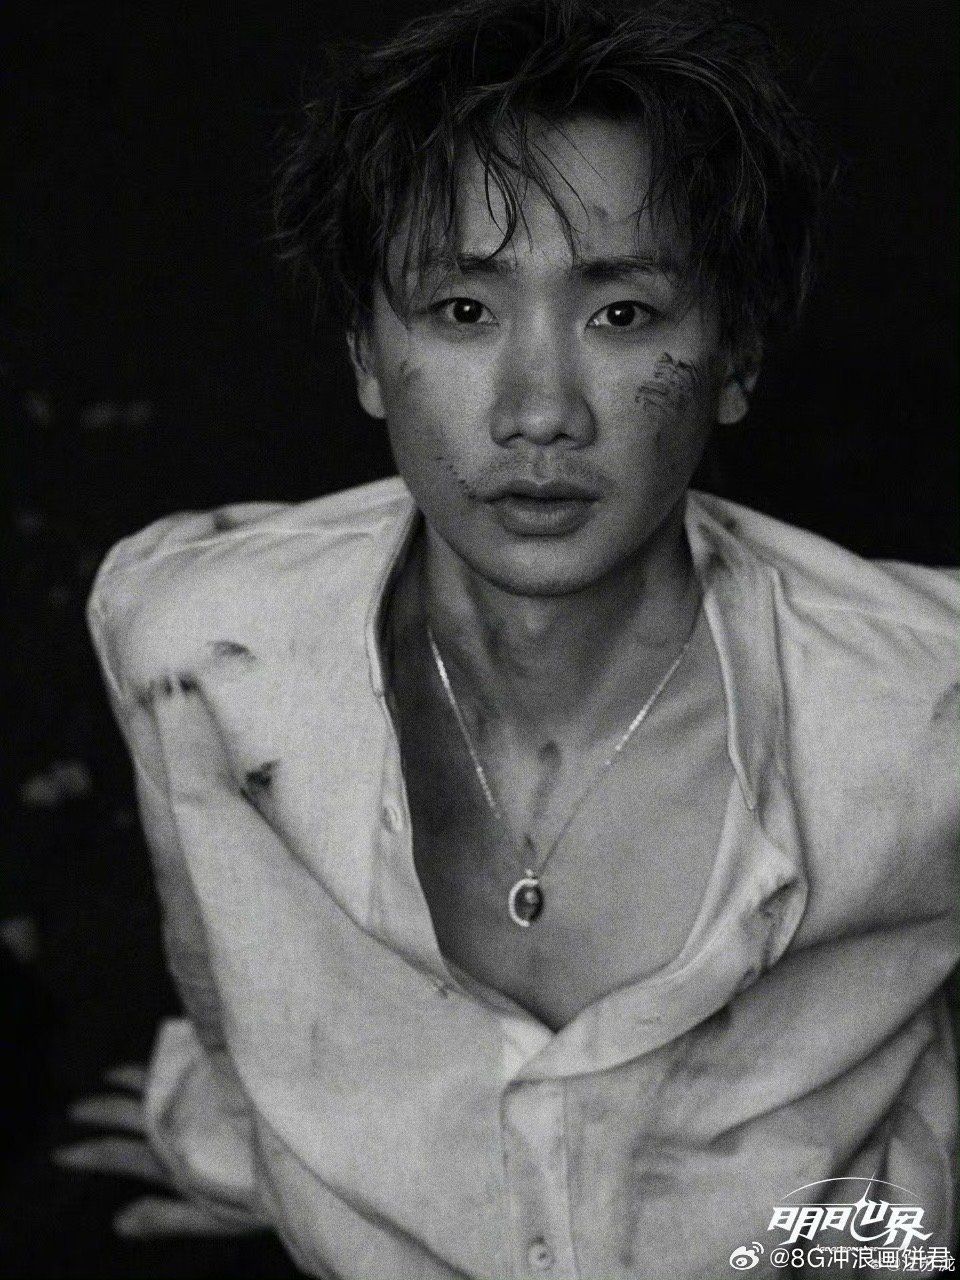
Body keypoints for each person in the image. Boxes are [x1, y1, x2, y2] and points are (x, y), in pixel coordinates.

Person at [59, 0, 959, 1275]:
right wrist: (247, 1139)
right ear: (366, 352)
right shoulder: (198, 642)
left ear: (735, 357)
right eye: (463, 310)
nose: (540, 413)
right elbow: (222, 963)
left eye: (623, 313)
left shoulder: (925, 703)